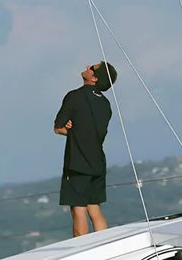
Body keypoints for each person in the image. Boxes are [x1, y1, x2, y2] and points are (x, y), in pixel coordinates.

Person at [53, 61, 117, 237]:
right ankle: (105, 245)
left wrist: (70, 129)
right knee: (94, 208)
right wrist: (75, 129)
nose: (88, 67)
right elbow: (92, 132)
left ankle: (82, 250)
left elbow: (58, 128)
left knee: (78, 210)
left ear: (95, 78)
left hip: (78, 163)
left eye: (93, 68)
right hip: (98, 162)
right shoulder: (106, 104)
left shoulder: (75, 96)